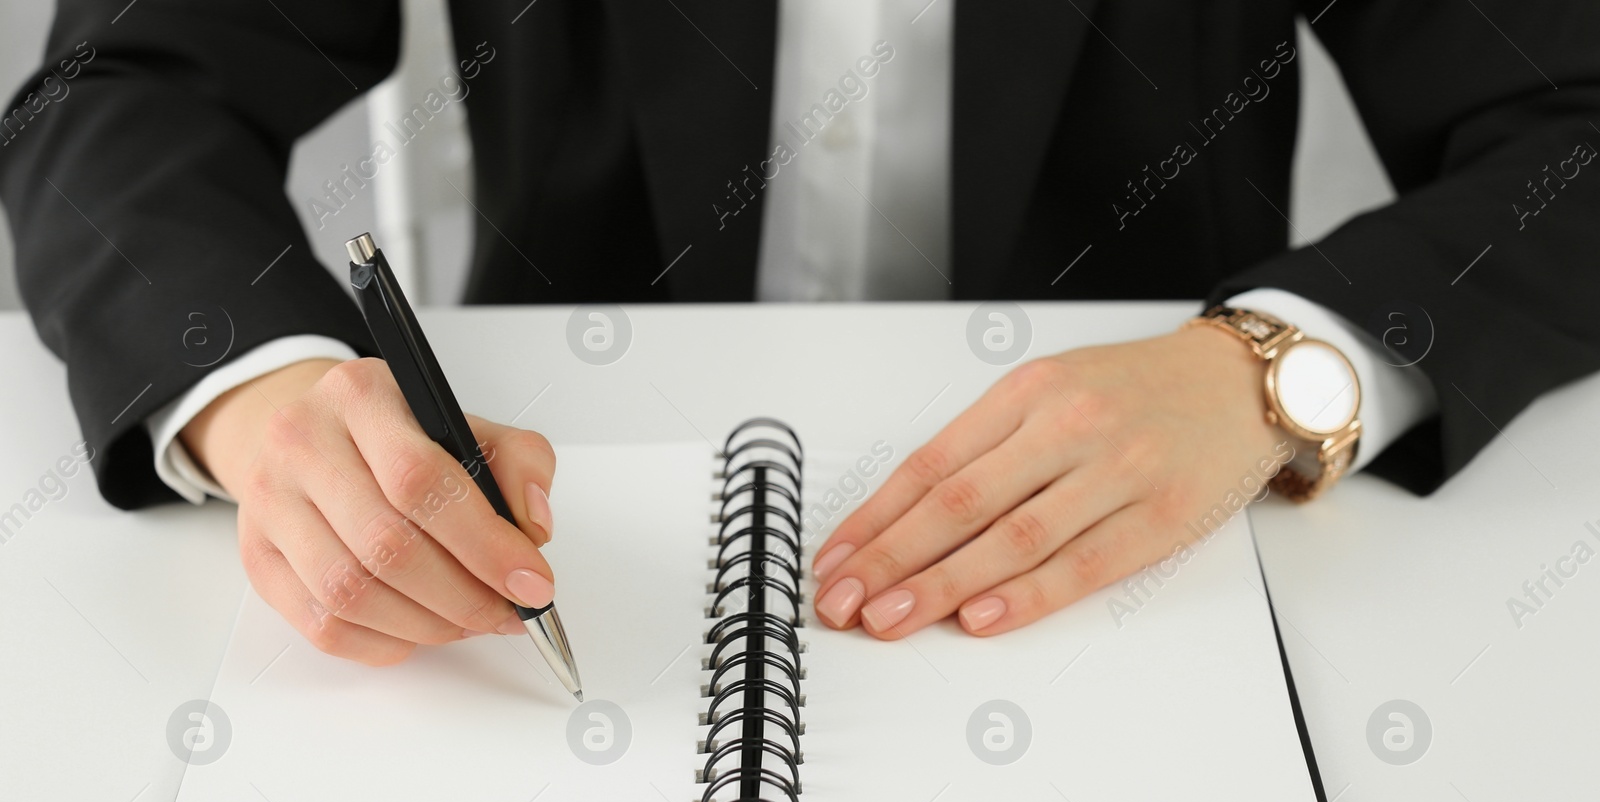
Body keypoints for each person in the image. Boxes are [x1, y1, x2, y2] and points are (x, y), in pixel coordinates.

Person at [2, 0, 1596, 664]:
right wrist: (259, 391)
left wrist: (1275, 369)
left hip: (1169, 532)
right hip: (591, 453)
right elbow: (127, 88)